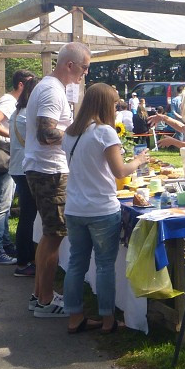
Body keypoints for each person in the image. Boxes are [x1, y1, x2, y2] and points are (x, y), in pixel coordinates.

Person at [62, 83, 148, 334]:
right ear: (104, 104)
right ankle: (108, 319)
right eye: (114, 103)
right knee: (104, 265)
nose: (116, 107)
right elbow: (120, 171)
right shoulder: (104, 133)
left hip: (75, 207)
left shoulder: (70, 132)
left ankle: (74, 315)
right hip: (101, 207)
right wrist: (139, 160)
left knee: (77, 263)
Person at [24, 41, 91, 317]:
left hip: (44, 169)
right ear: (70, 65)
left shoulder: (49, 87)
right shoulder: (52, 91)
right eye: (84, 68)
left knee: (48, 237)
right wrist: (79, 135)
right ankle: (45, 301)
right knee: (54, 237)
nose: (84, 74)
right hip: (49, 171)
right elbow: (46, 134)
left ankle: (40, 295)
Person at [0, 70, 36, 267]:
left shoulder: (10, 101)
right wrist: (13, 135)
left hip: (7, 157)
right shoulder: (9, 102)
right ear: (22, 85)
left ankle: (5, 245)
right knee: (1, 205)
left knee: (4, 205)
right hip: (4, 157)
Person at [8, 75, 39, 277]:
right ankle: (24, 261)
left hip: (18, 166)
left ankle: (25, 258)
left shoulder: (17, 112)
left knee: (27, 216)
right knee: (28, 216)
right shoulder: (28, 115)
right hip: (26, 168)